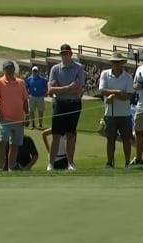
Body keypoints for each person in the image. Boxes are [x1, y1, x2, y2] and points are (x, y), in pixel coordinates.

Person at [47, 43, 85, 171]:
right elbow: (51, 90)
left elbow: (78, 89)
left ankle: (70, 163)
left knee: (70, 134)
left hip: (74, 104)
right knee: (56, 135)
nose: (64, 56)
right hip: (59, 104)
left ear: (70, 54)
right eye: (62, 54)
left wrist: (60, 88)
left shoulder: (78, 68)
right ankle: (51, 164)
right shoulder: (55, 69)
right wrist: (68, 87)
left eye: (66, 54)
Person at [0, 60, 29, 171]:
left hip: (18, 119)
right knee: (1, 142)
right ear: (4, 70)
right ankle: (0, 167)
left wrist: (27, 114)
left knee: (15, 144)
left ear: (14, 69)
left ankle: (11, 166)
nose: (10, 71)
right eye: (7, 69)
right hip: (5, 119)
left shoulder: (21, 83)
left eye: (11, 68)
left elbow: (25, 100)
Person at [98, 52, 134, 168]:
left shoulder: (128, 77)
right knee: (110, 140)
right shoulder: (105, 74)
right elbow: (102, 91)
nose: (116, 64)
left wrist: (114, 95)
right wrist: (118, 92)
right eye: (114, 62)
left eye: (118, 62)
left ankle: (127, 162)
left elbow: (128, 96)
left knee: (126, 140)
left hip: (125, 114)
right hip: (110, 113)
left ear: (122, 63)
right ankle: (109, 163)